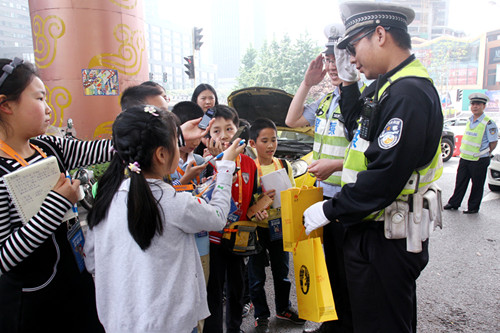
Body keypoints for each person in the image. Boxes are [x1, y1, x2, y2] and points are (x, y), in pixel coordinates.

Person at [303, 2, 444, 332]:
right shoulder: (388, 86)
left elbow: (384, 175)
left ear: (380, 35)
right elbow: (359, 128)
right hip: (374, 230)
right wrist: (349, 83)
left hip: (386, 237)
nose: (351, 58)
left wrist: (331, 209)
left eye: (354, 48)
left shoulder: (408, 93)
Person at [84, 105, 245, 333]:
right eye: (175, 143)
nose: (179, 149)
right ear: (161, 154)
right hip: (170, 322)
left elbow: (91, 260)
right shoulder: (171, 200)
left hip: (120, 321)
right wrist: (226, 166)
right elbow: (218, 216)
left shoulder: (107, 198)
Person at [0, 57, 111, 332]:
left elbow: (105, 149)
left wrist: (171, 134)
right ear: (5, 105)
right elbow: (3, 257)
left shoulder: (47, 146)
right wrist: (58, 204)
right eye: (39, 99)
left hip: (75, 279)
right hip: (32, 300)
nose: (48, 109)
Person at [286, 23, 359, 333]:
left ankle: (347, 323)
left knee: (348, 270)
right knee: (326, 265)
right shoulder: (328, 101)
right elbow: (291, 119)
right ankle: (333, 320)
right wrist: (307, 83)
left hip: (349, 198)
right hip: (322, 198)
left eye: (337, 58)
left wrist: (336, 165)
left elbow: (372, 159)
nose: (331, 66)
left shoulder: (361, 101)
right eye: (328, 59)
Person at [203, 105, 264, 333]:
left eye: (229, 128)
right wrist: (213, 163)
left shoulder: (250, 163)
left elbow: (254, 195)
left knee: (237, 288)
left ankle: (235, 327)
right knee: (214, 291)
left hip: (240, 238)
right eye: (216, 131)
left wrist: (258, 209)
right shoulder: (208, 164)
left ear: (238, 129)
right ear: (209, 136)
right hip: (214, 240)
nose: (224, 135)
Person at [247, 118, 304, 332]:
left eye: (274, 140)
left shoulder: (284, 165)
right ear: (253, 144)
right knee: (256, 276)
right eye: (264, 140)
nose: (271, 145)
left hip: (280, 228)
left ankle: (284, 308)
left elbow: (291, 193)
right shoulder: (249, 167)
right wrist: (258, 202)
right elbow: (244, 201)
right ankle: (261, 314)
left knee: (282, 272)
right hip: (256, 230)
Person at [171, 101, 210, 333]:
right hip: (178, 243)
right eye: (194, 132)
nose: (197, 139)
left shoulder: (201, 161)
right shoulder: (165, 163)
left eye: (201, 133)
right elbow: (162, 199)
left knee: (199, 295)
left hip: (202, 240)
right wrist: (184, 181)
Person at [444, 93, 498, 214]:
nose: (475, 106)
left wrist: (485, 153)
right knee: (460, 182)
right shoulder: (469, 120)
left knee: (477, 185)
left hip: (479, 159)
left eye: (478, 104)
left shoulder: (488, 123)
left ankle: (473, 207)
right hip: (465, 158)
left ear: (484, 106)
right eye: (473, 104)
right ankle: (454, 203)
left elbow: (493, 142)